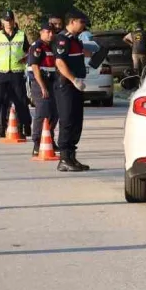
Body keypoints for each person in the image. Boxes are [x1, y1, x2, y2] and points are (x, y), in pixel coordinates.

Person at [52, 10, 92, 172]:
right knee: (67, 120)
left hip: (76, 86)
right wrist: (73, 80)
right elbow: (60, 63)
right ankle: (64, 158)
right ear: (72, 21)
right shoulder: (62, 39)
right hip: (66, 85)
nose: (83, 25)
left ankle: (72, 157)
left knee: (76, 121)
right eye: (81, 22)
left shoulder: (76, 40)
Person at [0, 10, 32, 139]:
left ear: (14, 21)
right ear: (3, 22)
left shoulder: (21, 35)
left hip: (17, 72)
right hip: (1, 73)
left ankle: (25, 126)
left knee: (21, 101)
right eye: (6, 20)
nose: (8, 22)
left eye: (10, 20)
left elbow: (28, 51)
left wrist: (25, 59)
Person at [27, 17, 59, 157]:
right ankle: (37, 143)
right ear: (41, 32)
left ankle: (49, 139)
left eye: (52, 32)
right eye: (47, 32)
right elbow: (35, 67)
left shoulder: (51, 46)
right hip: (41, 82)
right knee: (42, 113)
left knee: (55, 113)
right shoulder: (37, 46)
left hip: (53, 82)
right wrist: (42, 87)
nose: (50, 34)